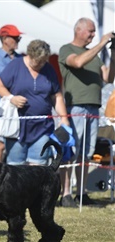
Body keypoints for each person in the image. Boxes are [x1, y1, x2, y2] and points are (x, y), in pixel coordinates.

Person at [58, 18, 115, 206]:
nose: (92, 35)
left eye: (93, 32)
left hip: (93, 107)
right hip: (76, 107)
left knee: (86, 153)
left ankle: (81, 193)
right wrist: (101, 43)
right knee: (71, 151)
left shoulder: (96, 55)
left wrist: (113, 53)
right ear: (78, 30)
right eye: (90, 31)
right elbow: (78, 63)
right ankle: (65, 193)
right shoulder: (67, 49)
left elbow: (108, 77)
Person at [0, 39, 69, 166]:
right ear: (29, 55)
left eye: (43, 61)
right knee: (15, 168)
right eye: (38, 61)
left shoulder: (49, 70)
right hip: (16, 129)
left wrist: (64, 117)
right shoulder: (15, 66)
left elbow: (56, 96)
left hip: (43, 128)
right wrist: (12, 98)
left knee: (39, 167)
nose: (41, 64)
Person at [0, 25, 23, 162]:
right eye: (15, 38)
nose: (18, 40)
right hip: (4, 108)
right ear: (4, 38)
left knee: (14, 144)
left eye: (18, 37)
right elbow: (9, 82)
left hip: (18, 107)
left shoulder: (20, 58)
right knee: (0, 143)